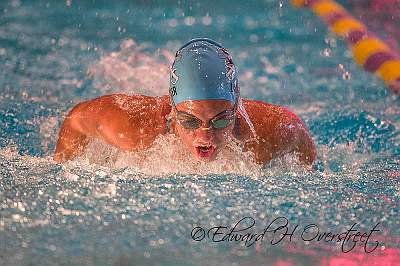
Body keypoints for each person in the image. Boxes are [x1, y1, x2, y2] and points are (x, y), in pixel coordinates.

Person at [54, 38, 317, 167]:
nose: (205, 134)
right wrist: (62, 165)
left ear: (237, 108)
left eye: (221, 119)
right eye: (190, 120)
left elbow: (304, 144)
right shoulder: (133, 129)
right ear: (172, 109)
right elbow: (76, 120)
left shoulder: (266, 136)